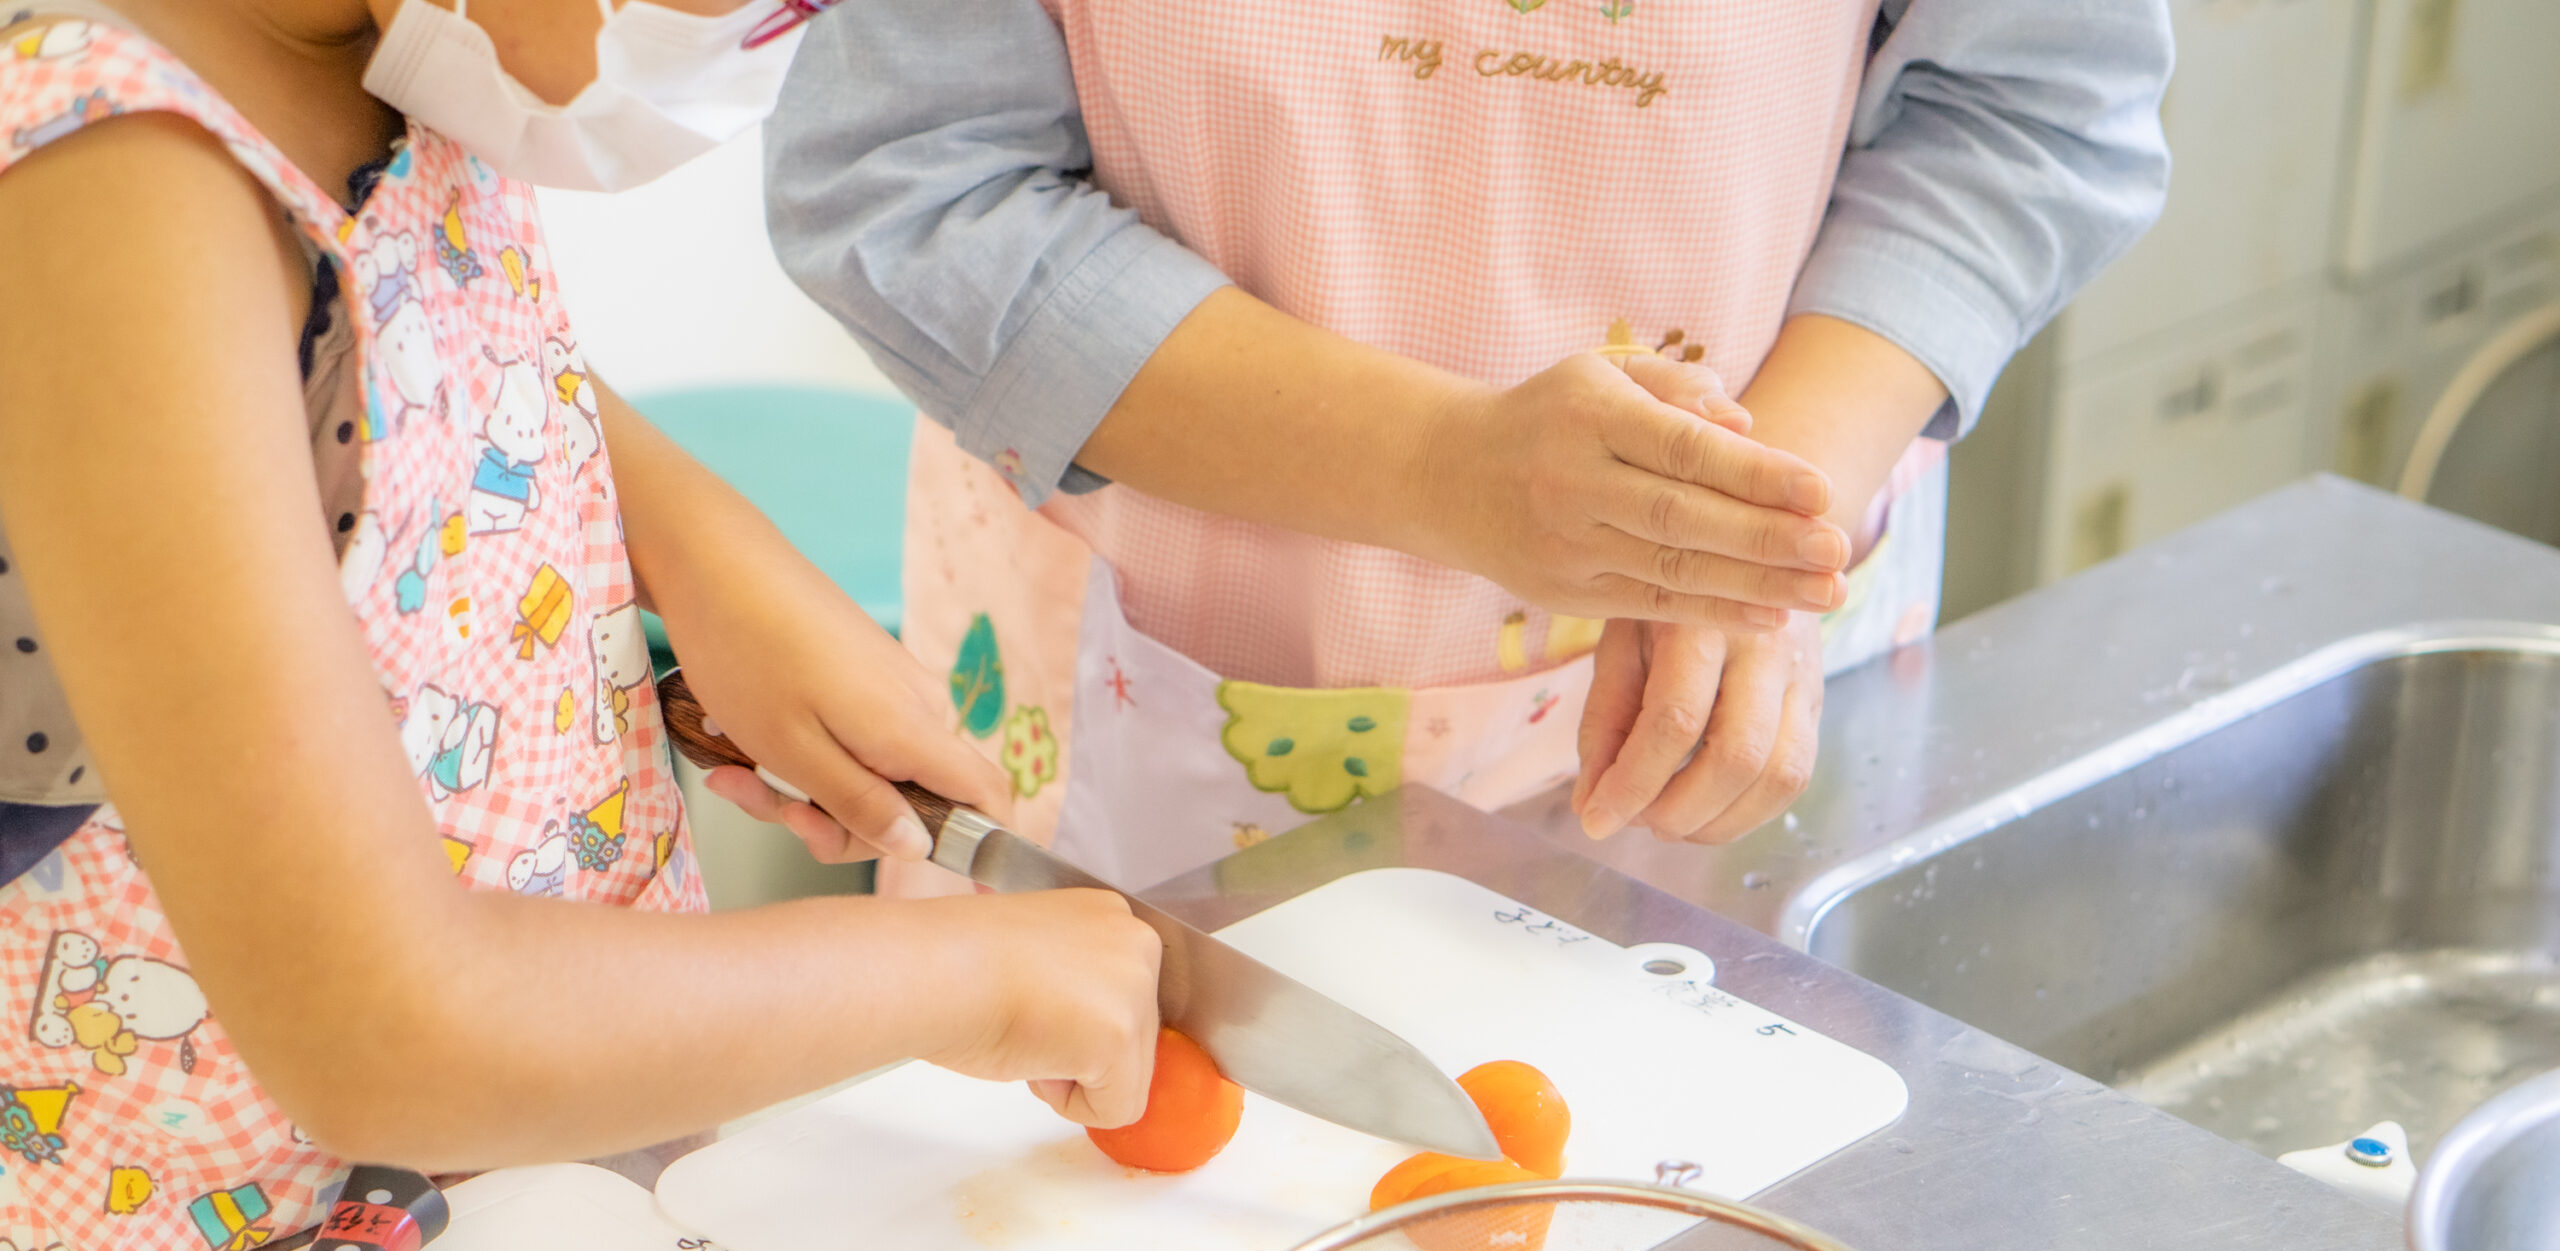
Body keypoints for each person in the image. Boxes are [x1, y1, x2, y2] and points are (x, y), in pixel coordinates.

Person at [0, 0, 1162, 1251]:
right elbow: (385, 1032)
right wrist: (970, 981)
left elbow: (397, 341)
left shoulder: (384, 49)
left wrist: (695, 549)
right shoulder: (114, 186)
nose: (764, 47)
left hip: (544, 1232)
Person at [752, 0, 2172, 892]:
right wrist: (1435, 469)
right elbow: (908, 185)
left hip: (1743, 695)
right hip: (1159, 708)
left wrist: (1750, 530)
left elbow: (2025, 104)